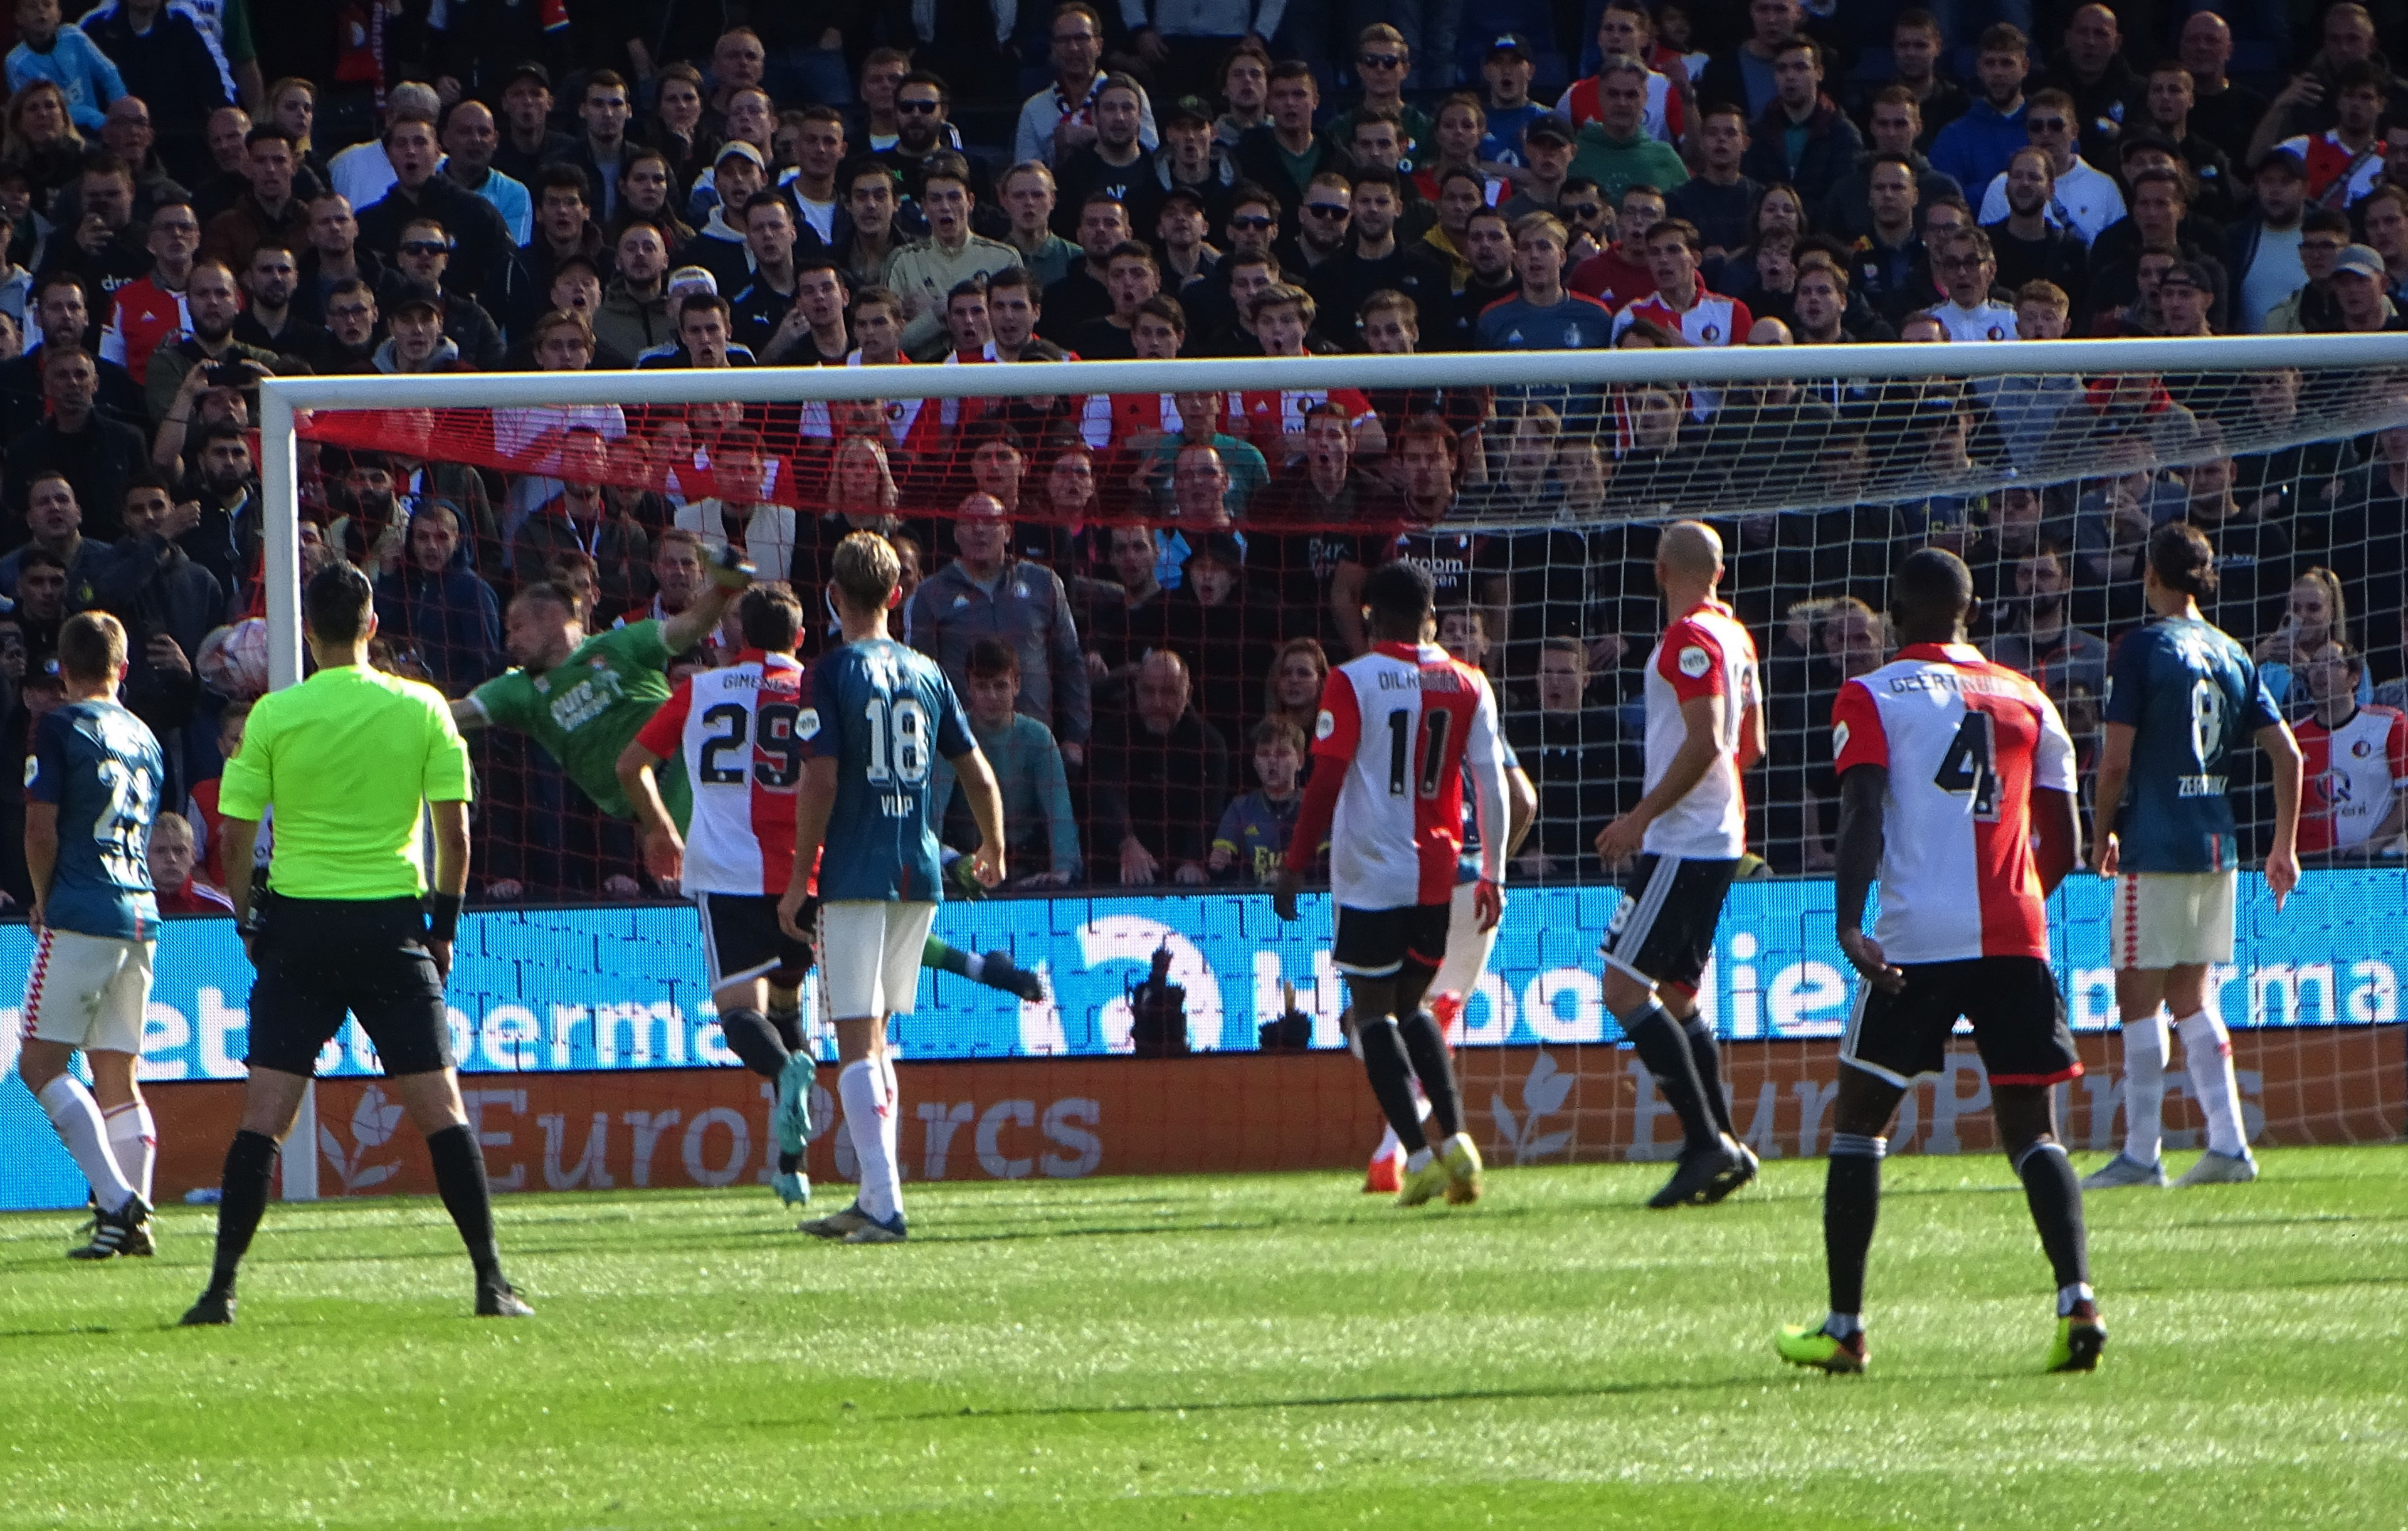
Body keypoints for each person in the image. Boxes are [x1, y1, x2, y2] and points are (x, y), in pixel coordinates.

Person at [180, 562, 532, 1326]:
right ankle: (490, 1282)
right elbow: (457, 836)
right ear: (373, 626)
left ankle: (221, 1289)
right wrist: (442, 928)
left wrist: (250, 919)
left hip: (301, 931)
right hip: (391, 928)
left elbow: (236, 837)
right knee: (441, 1109)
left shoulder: (275, 713)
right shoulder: (424, 708)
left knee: (264, 1116)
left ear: (309, 634)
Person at [1778, 547, 2099, 1377]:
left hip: (1917, 939)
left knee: (1860, 1122)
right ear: (1975, 608)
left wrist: (1851, 922)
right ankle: (2079, 1302)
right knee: (2033, 1131)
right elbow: (2068, 839)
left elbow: (1862, 810)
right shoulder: (2031, 695)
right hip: (2015, 934)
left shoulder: (1873, 692)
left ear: (1893, 609)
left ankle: (1846, 1325)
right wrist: (2020, 894)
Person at [776, 532, 1006, 1246]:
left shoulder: (830, 672)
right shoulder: (929, 671)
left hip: (854, 872)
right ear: (898, 596)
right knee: (877, 1037)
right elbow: (977, 771)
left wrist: (797, 879)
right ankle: (879, 1193)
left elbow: (820, 778)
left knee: (853, 1035)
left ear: (834, 597)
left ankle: (883, 1201)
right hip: (921, 871)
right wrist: (994, 846)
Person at [1272, 560, 1501, 1209]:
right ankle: (1459, 1141)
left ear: (1370, 613)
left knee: (1372, 1011)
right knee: (1416, 1007)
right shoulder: (1469, 681)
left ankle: (1420, 1156)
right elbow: (1491, 783)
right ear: (1431, 616)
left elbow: (1323, 781)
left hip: (1371, 873)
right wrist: (1495, 872)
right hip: (1439, 871)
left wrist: (1294, 863)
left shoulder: (1351, 681)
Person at [2083, 523, 2303, 1193]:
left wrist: (2100, 834)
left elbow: (2115, 759)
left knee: (2137, 996)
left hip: (2155, 842)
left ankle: (2142, 1155)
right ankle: (2229, 1145)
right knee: (2191, 995)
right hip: (2218, 845)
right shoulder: (2234, 653)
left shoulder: (2143, 647)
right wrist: (2283, 846)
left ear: (2152, 574)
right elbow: (2289, 754)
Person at [618, 583, 821, 1211]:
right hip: (806, 877)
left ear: (738, 638)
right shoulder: (820, 689)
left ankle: (783, 1075)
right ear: (801, 638)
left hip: (727, 874)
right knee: (789, 1010)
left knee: (740, 1013)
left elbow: (631, 765)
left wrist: (660, 827)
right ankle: (792, 1167)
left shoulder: (700, 689)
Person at [1591, 522, 1766, 1207]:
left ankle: (1706, 1143)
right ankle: (1726, 1142)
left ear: (1659, 571)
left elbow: (1706, 743)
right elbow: (1751, 741)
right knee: (1678, 997)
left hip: (1684, 840)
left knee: (1622, 989)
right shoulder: (1737, 635)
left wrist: (1642, 818)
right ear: (1719, 573)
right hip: (1718, 836)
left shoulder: (1689, 639)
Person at [19, 610, 164, 1260]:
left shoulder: (58, 725)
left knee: (40, 1063)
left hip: (82, 907)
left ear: (64, 670)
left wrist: (45, 900)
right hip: (140, 913)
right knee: (118, 1076)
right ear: (122, 669)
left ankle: (115, 1198)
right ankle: (129, 1223)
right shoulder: (146, 736)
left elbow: (41, 825)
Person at [2293, 640, 2407, 864]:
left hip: (2379, 864)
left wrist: (2371, 845)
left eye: (2332, 663)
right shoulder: (2293, 735)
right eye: (2314, 664)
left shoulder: (2389, 724)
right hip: (2312, 867)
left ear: (2354, 678)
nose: (2320, 671)